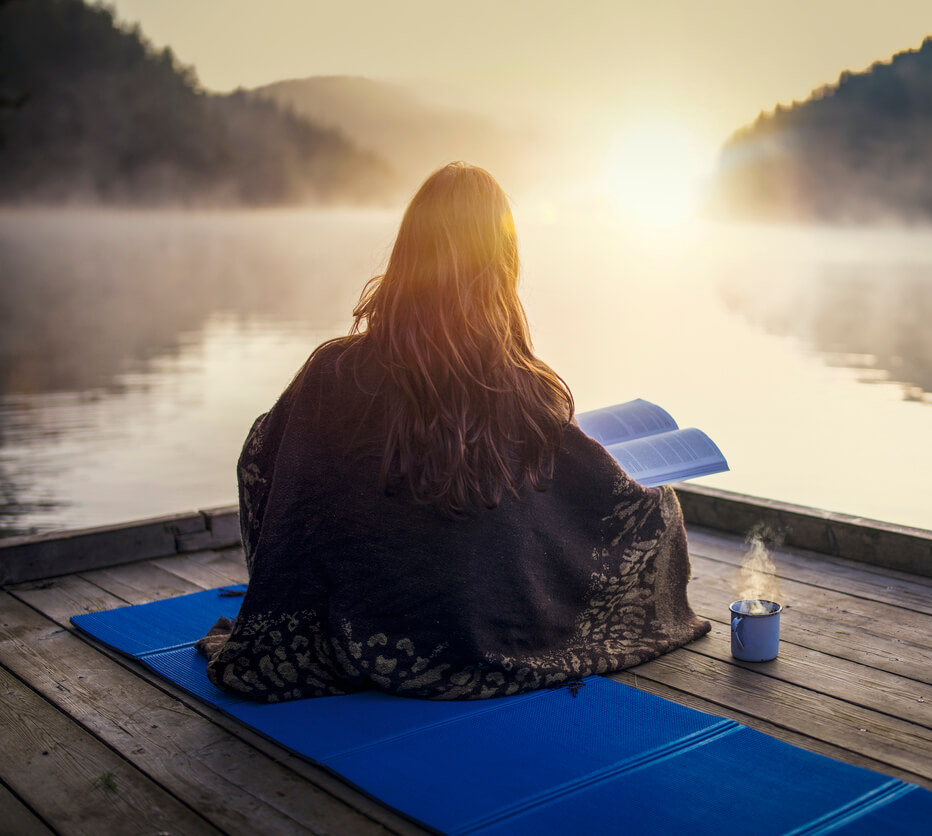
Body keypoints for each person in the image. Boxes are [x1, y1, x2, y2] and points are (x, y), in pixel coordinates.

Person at [196, 163, 710, 702]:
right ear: (502, 262)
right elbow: (598, 503)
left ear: (407, 252)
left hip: (361, 614)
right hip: (486, 620)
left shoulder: (333, 372)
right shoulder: (527, 387)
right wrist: (652, 499)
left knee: (273, 443)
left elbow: (258, 463)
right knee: (658, 512)